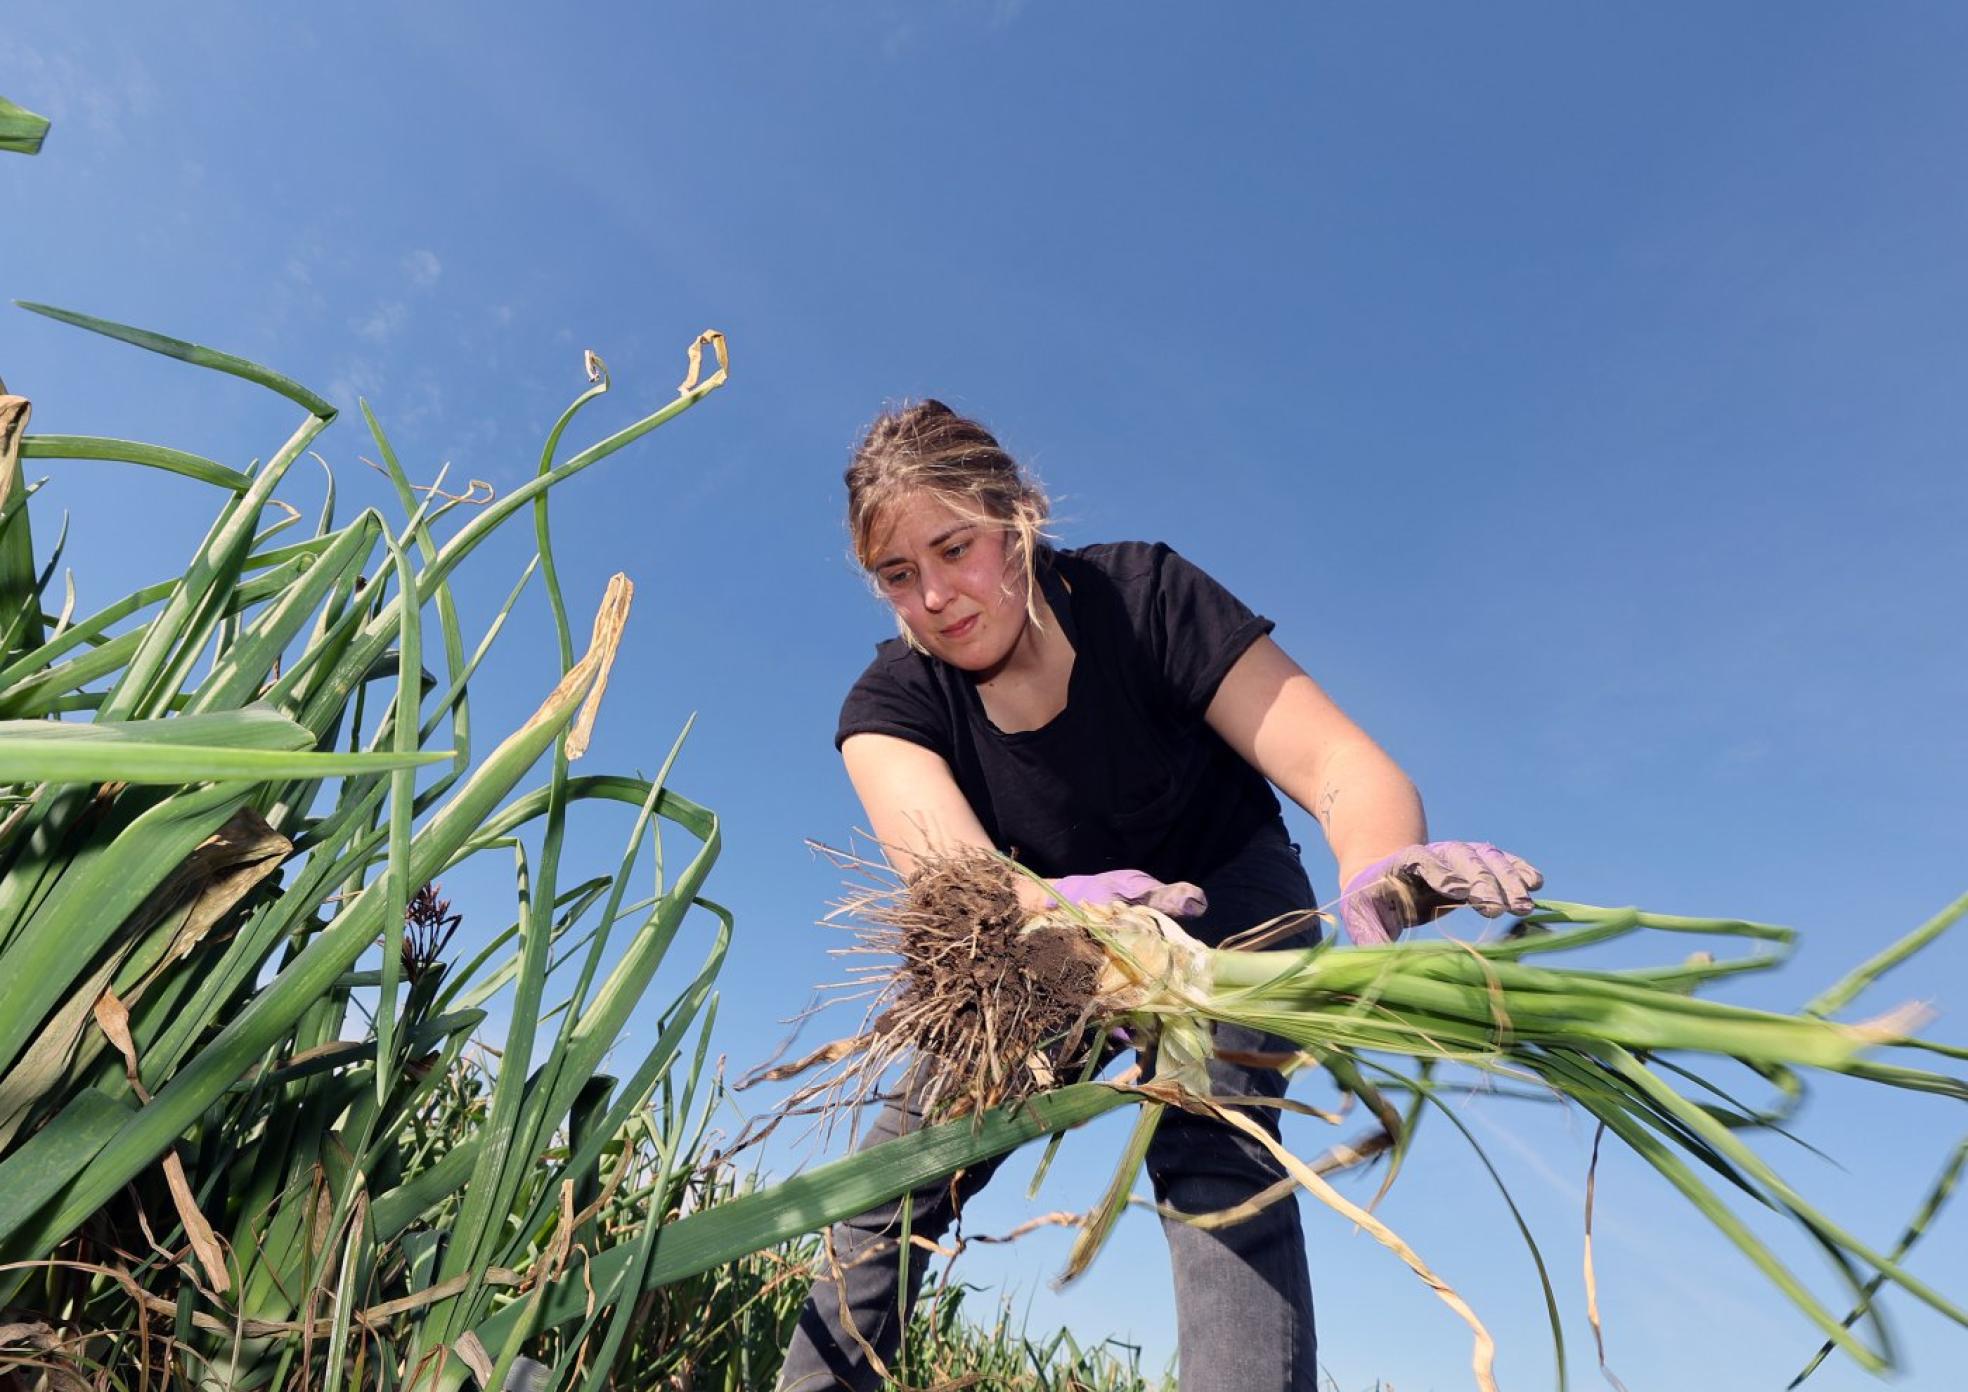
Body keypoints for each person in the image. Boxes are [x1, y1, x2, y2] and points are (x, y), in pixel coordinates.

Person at [776, 400, 1541, 1392]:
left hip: (1228, 892)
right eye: (898, 576)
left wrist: (1380, 870)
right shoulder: (889, 708)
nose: (935, 597)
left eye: (953, 548)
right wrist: (1063, 917)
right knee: (895, 1174)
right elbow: (958, 878)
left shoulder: (1146, 595)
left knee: (1213, 1126)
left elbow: (1342, 764)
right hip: (1045, 938)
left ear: (1017, 516)